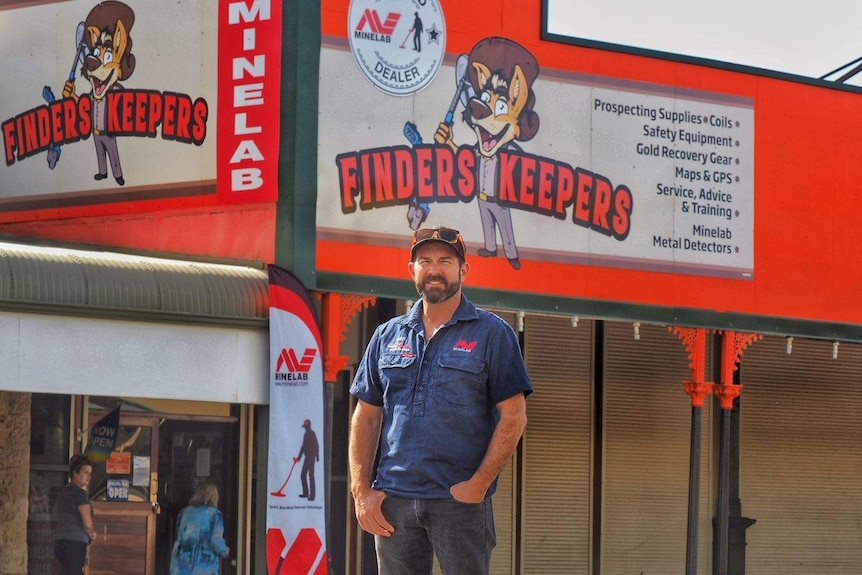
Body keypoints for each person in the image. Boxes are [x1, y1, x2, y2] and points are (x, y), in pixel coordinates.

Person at [349, 225, 533, 574]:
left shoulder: (493, 334)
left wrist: (477, 485)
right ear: (412, 271)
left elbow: (514, 417)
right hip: (394, 504)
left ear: (463, 270)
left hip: (459, 503)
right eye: (425, 261)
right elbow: (366, 416)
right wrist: (362, 492)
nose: (434, 269)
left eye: (445, 261)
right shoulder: (386, 336)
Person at [169, 481, 229, 575]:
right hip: (204, 567)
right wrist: (225, 550)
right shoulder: (215, 515)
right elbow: (215, 540)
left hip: (181, 565)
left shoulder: (184, 512)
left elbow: (179, 535)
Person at [53, 454, 97, 575]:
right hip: (75, 542)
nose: (88, 476)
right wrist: (92, 534)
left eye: (90, 474)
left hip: (60, 540)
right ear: (75, 473)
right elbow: (87, 523)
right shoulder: (80, 494)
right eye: (85, 472)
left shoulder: (64, 492)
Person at [296, 419, 320, 501]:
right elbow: (303, 447)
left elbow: (316, 445)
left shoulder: (311, 434)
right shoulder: (306, 434)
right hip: (307, 457)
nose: (305, 428)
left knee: (311, 476)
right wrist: (298, 458)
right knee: (303, 475)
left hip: (311, 457)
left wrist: (317, 456)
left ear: (308, 426)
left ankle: (312, 495)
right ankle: (306, 493)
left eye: (306, 427)